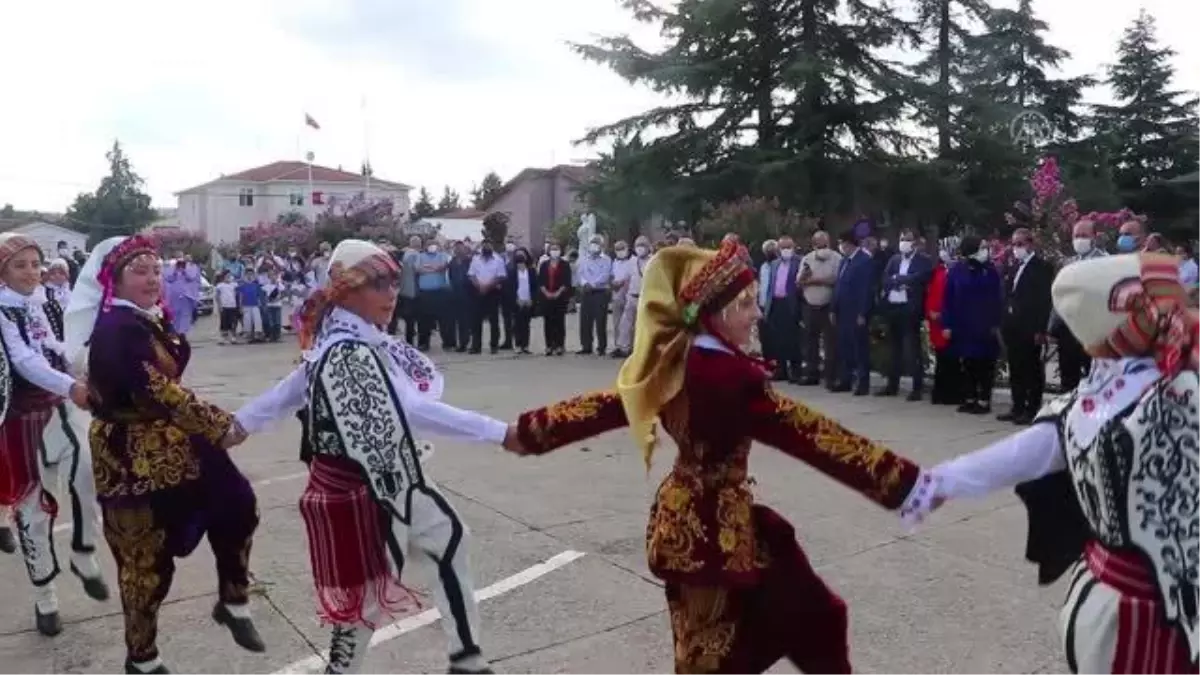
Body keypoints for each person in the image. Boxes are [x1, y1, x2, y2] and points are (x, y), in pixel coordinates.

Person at [507, 239, 930, 674]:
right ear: (721, 312)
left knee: (784, 622)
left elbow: (609, 404)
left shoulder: (676, 360)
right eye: (747, 305)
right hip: (712, 532)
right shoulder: (729, 377)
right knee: (713, 654)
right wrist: (902, 481)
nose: (756, 314)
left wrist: (531, 431)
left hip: (688, 519)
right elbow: (812, 434)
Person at [907, 252, 1200, 674]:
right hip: (1133, 613)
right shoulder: (1116, 398)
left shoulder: (1096, 400)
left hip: (1124, 599)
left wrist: (938, 484)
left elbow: (1021, 454)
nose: (1184, 313)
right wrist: (939, 483)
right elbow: (1019, 455)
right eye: (1172, 301)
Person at [235, 239, 517, 675]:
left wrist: (235, 425)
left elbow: (285, 393)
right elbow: (411, 411)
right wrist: (499, 432)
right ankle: (348, 669)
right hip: (367, 484)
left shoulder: (351, 339)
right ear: (347, 291)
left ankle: (467, 659)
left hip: (388, 476)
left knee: (448, 539)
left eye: (393, 283)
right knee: (369, 589)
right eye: (379, 284)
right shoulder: (347, 349)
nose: (392, 294)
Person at [65, 235, 262, 675]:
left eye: (156, 270)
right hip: (129, 453)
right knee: (145, 563)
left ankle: (234, 599)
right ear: (114, 280)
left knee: (237, 504)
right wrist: (219, 425)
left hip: (175, 437)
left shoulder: (148, 319)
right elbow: (157, 390)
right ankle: (142, 657)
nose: (153, 279)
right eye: (140, 271)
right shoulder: (116, 328)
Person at [0, 233, 108, 636]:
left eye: (34, 264)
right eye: (19, 265)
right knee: (34, 512)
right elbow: (25, 360)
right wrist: (71, 386)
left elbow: (53, 345)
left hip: (57, 410)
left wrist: (84, 365)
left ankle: (84, 553)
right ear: (2, 272)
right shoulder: (1, 311)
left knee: (87, 478)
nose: (31, 272)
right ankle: (45, 598)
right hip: (21, 420)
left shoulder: (38, 301)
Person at [942, 236, 1003, 415]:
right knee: (968, 364)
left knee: (985, 364)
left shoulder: (990, 270)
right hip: (964, 325)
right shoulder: (957, 271)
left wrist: (996, 323)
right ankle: (969, 398)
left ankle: (984, 400)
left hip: (985, 326)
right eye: (982, 247)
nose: (986, 251)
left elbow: (997, 299)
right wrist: (947, 324)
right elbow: (949, 298)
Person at [999, 228, 1054, 425]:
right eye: (1014, 244)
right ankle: (1017, 406)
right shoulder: (1013, 266)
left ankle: (1032, 408)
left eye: (1020, 244)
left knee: (1031, 369)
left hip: (1030, 326)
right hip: (1012, 325)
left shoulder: (1042, 268)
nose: (1016, 248)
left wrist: (1040, 329)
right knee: (1015, 368)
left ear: (1030, 244)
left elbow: (1044, 300)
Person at [1048, 220, 1107, 392]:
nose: (1079, 240)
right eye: (1076, 236)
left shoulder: (1104, 263)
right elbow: (1059, 296)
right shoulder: (1068, 264)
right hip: (1068, 329)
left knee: (1092, 378)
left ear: (1094, 237)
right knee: (1068, 377)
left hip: (1092, 331)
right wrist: (1052, 327)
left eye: (1084, 235)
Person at [878, 229, 933, 400]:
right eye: (902, 239)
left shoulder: (923, 260)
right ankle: (892, 385)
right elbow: (885, 278)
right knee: (894, 348)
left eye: (908, 240)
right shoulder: (894, 259)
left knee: (912, 349)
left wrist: (900, 279)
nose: (904, 242)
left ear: (915, 242)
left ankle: (917, 388)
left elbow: (921, 277)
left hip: (910, 309)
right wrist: (899, 280)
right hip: (894, 307)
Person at [832, 231, 875, 395]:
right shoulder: (844, 261)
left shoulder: (864, 261)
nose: (841, 247)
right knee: (845, 346)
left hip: (856, 311)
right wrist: (833, 309)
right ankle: (846, 379)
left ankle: (863, 382)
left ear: (849, 244)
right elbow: (839, 286)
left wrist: (863, 313)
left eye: (842, 243)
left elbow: (866, 289)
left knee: (859, 347)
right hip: (843, 311)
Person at [926, 237, 960, 405]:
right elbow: (931, 293)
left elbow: (955, 299)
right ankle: (940, 393)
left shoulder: (958, 271)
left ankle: (951, 394)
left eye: (944, 249)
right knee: (941, 359)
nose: (942, 253)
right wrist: (930, 312)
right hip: (936, 322)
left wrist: (943, 316)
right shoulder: (939, 270)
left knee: (951, 360)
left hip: (949, 321)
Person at [468, 241, 506, 354]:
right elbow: (471, 275)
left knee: (494, 320)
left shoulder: (498, 259)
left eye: (489, 245)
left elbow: (501, 276)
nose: (486, 247)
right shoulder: (475, 259)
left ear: (492, 247)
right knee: (476, 321)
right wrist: (479, 286)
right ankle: (476, 346)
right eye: (484, 246)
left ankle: (494, 346)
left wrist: (488, 286)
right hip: (478, 292)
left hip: (492, 292)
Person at [537, 242, 572, 356]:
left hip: (560, 297)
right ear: (549, 251)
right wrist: (546, 293)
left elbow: (566, 281)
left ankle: (560, 345)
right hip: (546, 297)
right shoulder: (544, 264)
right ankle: (549, 346)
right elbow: (540, 281)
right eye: (552, 249)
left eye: (557, 249)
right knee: (548, 322)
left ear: (560, 251)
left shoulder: (565, 265)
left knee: (559, 322)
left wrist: (558, 292)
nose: (554, 251)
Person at [506, 246, 536, 354]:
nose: (520, 257)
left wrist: (532, 299)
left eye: (522, 254)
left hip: (528, 300)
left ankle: (525, 345)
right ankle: (518, 344)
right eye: (518, 255)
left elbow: (534, 286)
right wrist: (516, 299)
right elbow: (510, 288)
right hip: (517, 300)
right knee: (517, 323)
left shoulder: (531, 271)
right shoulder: (512, 271)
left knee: (526, 324)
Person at [163, 255, 202, 335]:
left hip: (187, 296)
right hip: (174, 297)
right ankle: (175, 333)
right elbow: (169, 278)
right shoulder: (172, 267)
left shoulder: (193, 267)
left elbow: (191, 277)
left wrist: (184, 270)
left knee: (185, 315)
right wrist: (175, 270)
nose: (182, 263)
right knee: (174, 315)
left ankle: (182, 334)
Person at [214, 271, 239, 344]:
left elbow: (238, 295)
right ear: (223, 277)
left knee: (233, 322)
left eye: (230, 276)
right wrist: (219, 306)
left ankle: (233, 337)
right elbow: (217, 296)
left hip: (232, 306)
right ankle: (223, 338)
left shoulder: (234, 285)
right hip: (224, 306)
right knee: (223, 323)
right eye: (227, 276)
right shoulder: (220, 285)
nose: (228, 278)